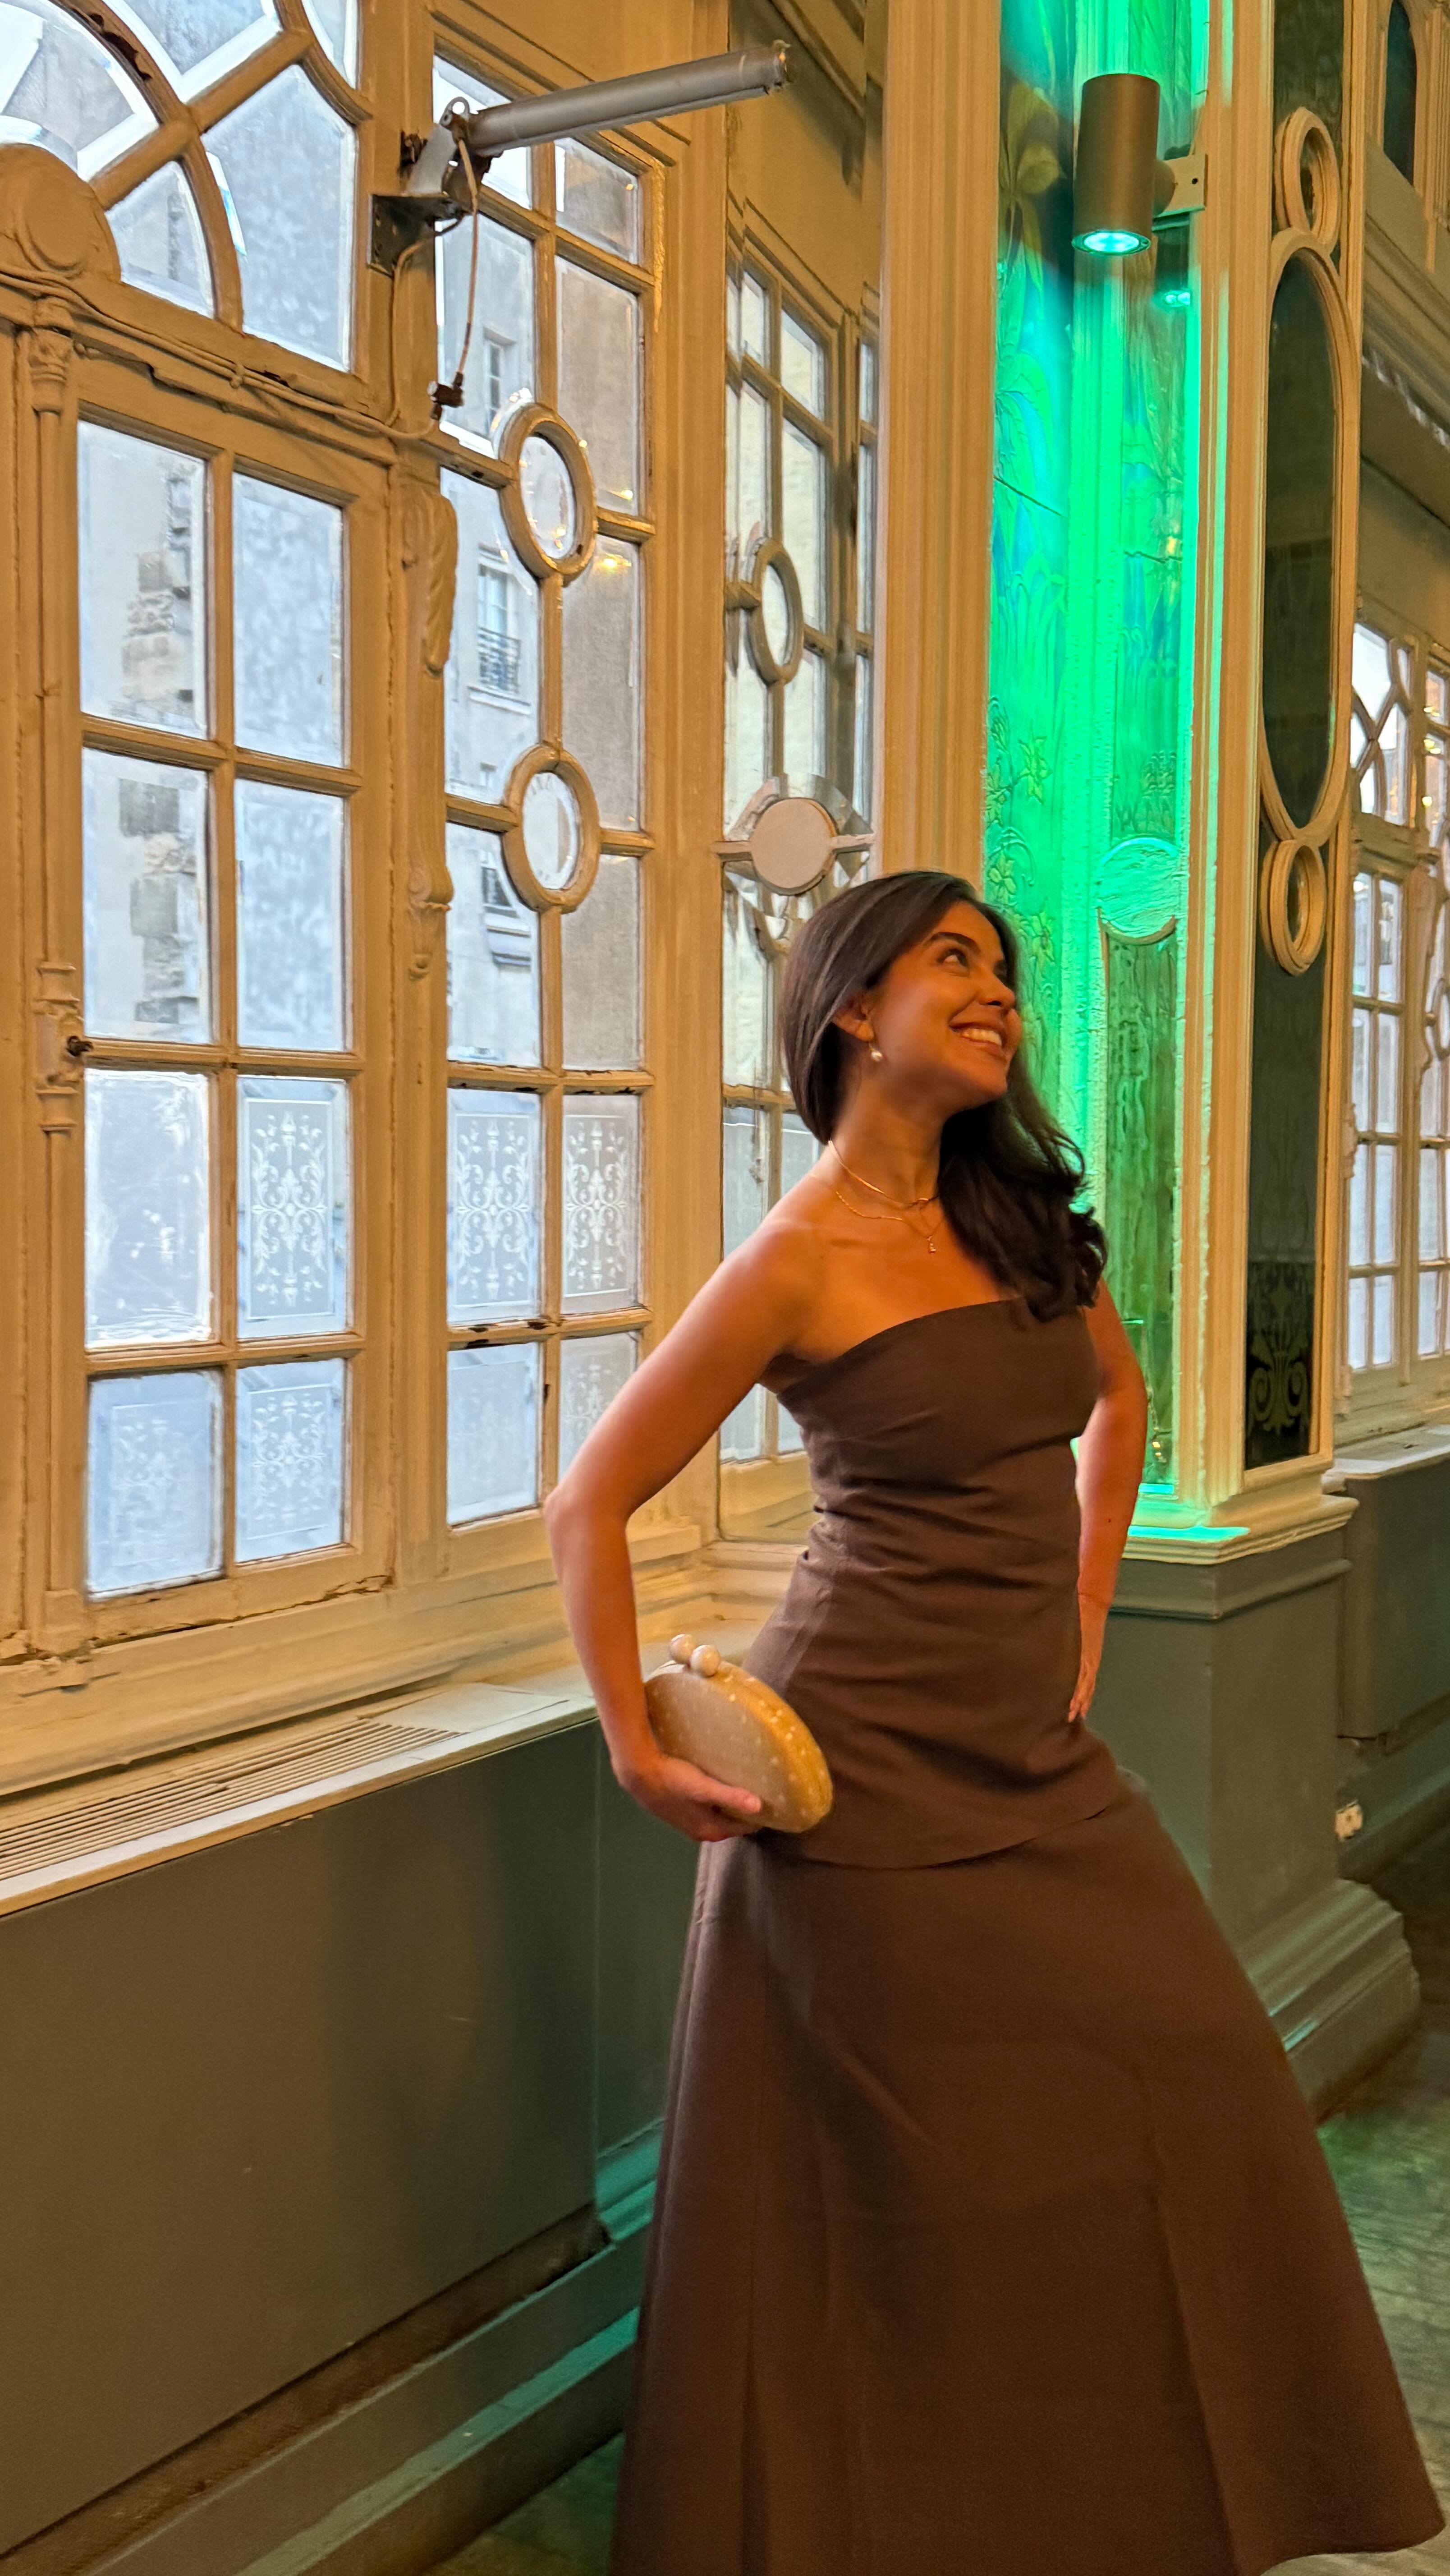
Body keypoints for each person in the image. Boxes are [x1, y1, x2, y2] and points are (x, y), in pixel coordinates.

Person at [545, 871, 1443, 2576]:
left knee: (1197, 2070)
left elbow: (1120, 1400)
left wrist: (1086, 1608)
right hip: (853, 1774)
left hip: (1033, 1761)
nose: (998, 993)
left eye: (1005, 971)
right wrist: (634, 1745)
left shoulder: (1024, 1222)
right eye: (952, 960)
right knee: (898, 2188)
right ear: (850, 1008)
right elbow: (587, 1502)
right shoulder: (794, 1258)